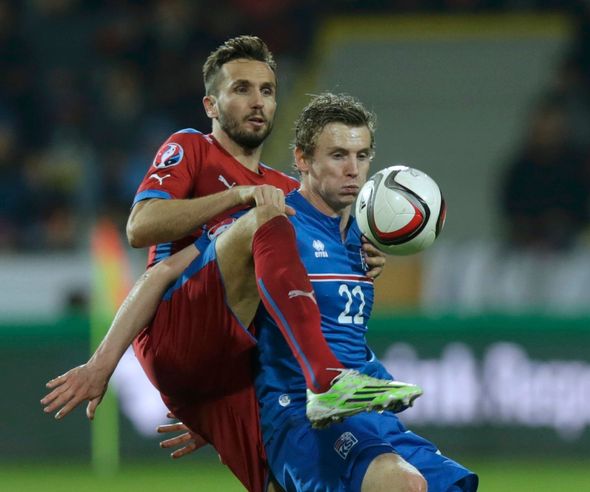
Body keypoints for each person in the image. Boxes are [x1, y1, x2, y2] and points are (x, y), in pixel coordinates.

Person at [41, 38, 419, 492]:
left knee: (290, 472)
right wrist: (101, 364)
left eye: (267, 90)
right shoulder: (193, 151)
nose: (257, 101)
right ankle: (325, 376)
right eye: (241, 88)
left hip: (234, 362)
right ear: (211, 105)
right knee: (267, 217)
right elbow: (141, 231)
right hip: (177, 327)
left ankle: (321, 385)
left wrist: (356, 258)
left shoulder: (281, 188)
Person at [154, 93, 478, 491]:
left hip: (364, 410)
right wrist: (213, 408)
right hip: (299, 415)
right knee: (401, 484)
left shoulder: (362, 238)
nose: (353, 171)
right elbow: (209, 307)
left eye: (362, 156)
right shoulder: (273, 224)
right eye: (338, 155)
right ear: (303, 160)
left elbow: (346, 337)